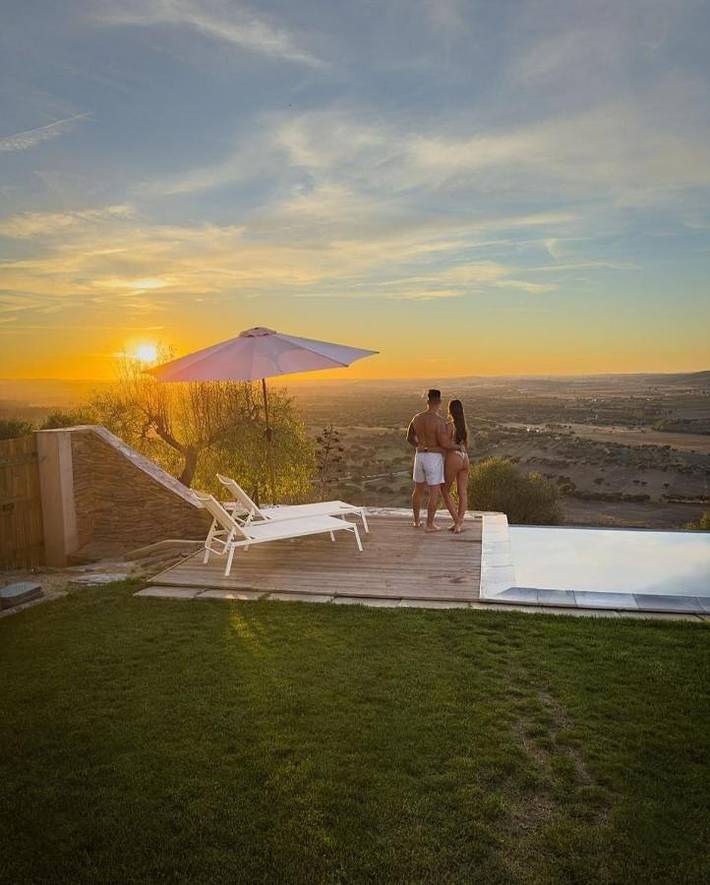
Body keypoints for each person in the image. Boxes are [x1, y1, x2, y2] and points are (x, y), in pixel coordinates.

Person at [406, 389, 458, 532]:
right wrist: (458, 447)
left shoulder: (416, 418)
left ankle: (416, 521)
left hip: (420, 455)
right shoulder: (440, 422)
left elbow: (409, 438)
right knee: (434, 492)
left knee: (418, 490)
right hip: (433, 458)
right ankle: (430, 524)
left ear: (427, 402)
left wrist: (420, 446)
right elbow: (445, 444)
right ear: (439, 402)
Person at [440, 399, 470, 533]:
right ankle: (459, 522)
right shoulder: (464, 426)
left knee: (444, 490)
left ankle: (457, 523)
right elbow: (466, 446)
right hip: (465, 459)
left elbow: (446, 445)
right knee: (462, 492)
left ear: (450, 410)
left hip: (454, 457)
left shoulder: (450, 425)